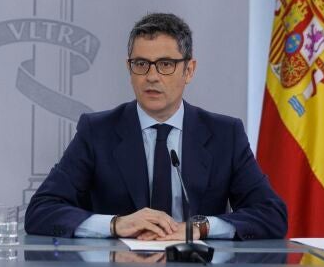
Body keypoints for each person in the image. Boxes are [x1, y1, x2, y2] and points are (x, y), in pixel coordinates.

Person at [24, 13, 287, 240]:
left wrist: (201, 228)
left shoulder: (225, 134)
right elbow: (42, 210)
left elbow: (271, 214)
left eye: (165, 65)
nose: (151, 76)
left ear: (189, 70)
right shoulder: (97, 132)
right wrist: (115, 224)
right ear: (129, 69)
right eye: (141, 64)